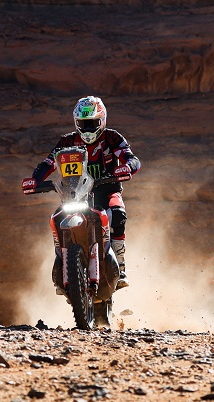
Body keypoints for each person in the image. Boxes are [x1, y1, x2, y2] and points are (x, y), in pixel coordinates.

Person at [21, 96, 140, 289]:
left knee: (117, 214)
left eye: (92, 124)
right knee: (57, 218)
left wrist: (127, 168)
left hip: (106, 189)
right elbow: (49, 162)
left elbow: (130, 157)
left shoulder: (112, 137)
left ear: (102, 121)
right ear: (76, 123)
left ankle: (121, 263)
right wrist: (36, 179)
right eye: (83, 124)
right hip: (75, 193)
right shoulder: (67, 141)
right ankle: (61, 267)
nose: (87, 129)